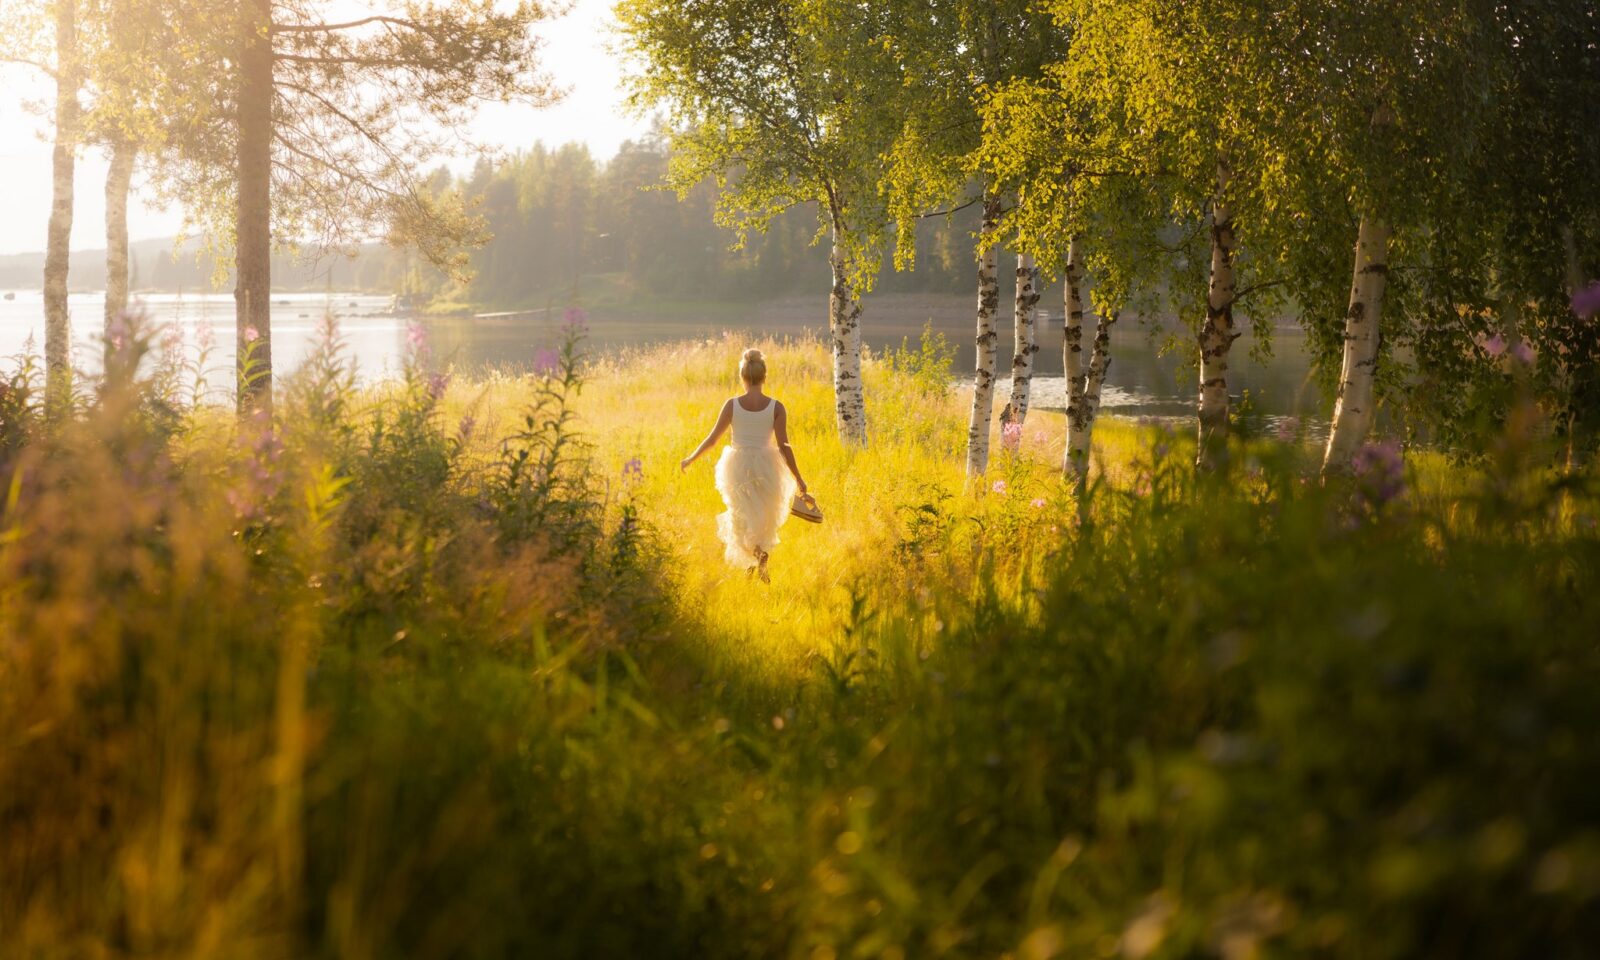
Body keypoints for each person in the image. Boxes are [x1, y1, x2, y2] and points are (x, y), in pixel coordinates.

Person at [680, 348, 808, 582]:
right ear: (764, 376)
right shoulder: (776, 407)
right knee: (761, 520)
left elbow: (712, 440)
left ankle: (757, 556)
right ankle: (756, 562)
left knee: (740, 519)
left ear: (742, 377)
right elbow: (784, 446)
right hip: (768, 468)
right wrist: (799, 479)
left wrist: (690, 458)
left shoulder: (732, 405)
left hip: (737, 468)